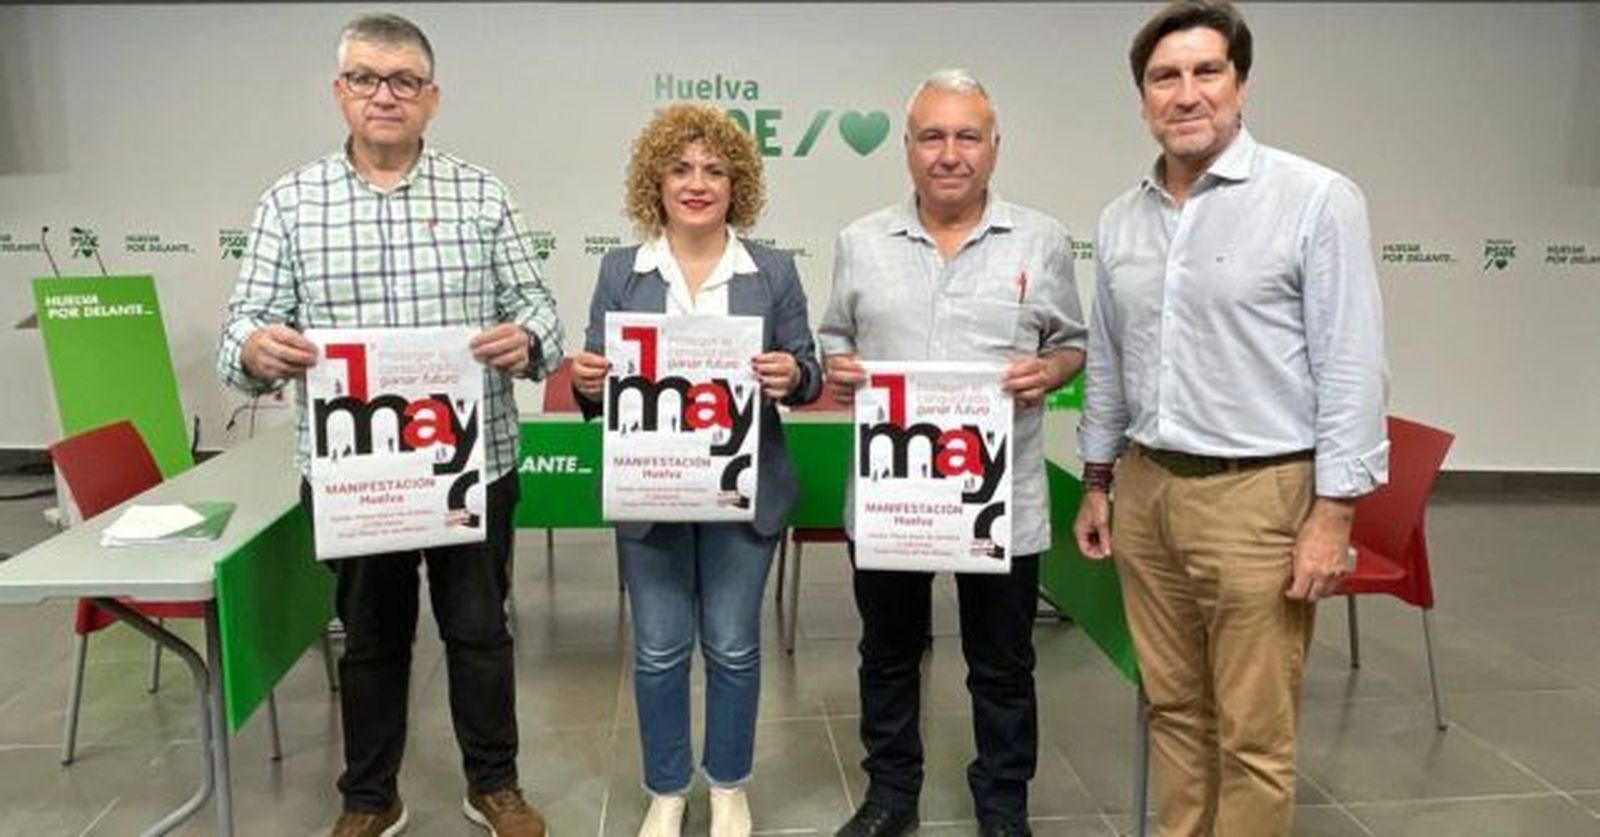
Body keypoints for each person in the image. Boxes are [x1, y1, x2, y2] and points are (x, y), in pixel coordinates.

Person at [217, 13, 562, 837]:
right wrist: (259, 347)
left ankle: (494, 783)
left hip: (472, 465)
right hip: (355, 473)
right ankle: (370, 794)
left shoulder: (482, 194)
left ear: (431, 98)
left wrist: (530, 340)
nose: (385, 95)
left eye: (404, 81)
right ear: (340, 92)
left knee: (480, 632)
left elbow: (539, 309)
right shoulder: (290, 203)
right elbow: (241, 332)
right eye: (367, 78)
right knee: (370, 639)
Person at [1072, 3, 1389, 835]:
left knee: (1254, 732)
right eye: (1163, 78)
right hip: (1146, 492)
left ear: (1240, 85)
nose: (1186, 94)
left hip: (1262, 500)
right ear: (1142, 99)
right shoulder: (1120, 219)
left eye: (1205, 72)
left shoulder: (1315, 199)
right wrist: (1098, 480)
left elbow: (1352, 365)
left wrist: (1335, 512)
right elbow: (1109, 359)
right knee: (1173, 708)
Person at [819, 70, 1086, 837]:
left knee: (1002, 668)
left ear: (994, 146)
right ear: (906, 148)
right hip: (893, 494)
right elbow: (836, 333)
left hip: (997, 498)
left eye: (967, 136)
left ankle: (1003, 808)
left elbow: (1071, 344)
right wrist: (838, 365)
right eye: (932, 136)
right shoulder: (859, 242)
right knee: (888, 654)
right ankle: (889, 796)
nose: (949, 153)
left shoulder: (1042, 240)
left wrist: (1052, 370)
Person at [569, 103, 822, 837]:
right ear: (656, 179)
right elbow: (596, 381)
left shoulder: (772, 270)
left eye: (714, 169)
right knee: (657, 648)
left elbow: (807, 372)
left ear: (737, 182)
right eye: (681, 168)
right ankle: (667, 786)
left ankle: (730, 784)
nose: (698, 182)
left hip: (745, 492)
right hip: (651, 493)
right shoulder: (622, 270)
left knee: (735, 646)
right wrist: (589, 380)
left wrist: (791, 374)